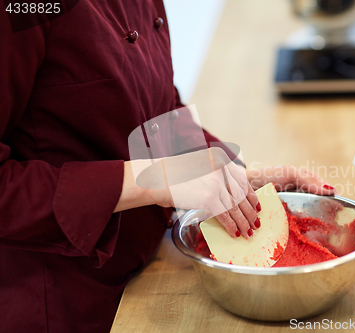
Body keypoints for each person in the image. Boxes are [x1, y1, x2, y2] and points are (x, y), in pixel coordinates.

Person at [0, 1, 336, 332]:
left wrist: (233, 179)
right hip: (64, 304)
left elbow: (156, 110)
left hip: (146, 275)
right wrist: (153, 180)